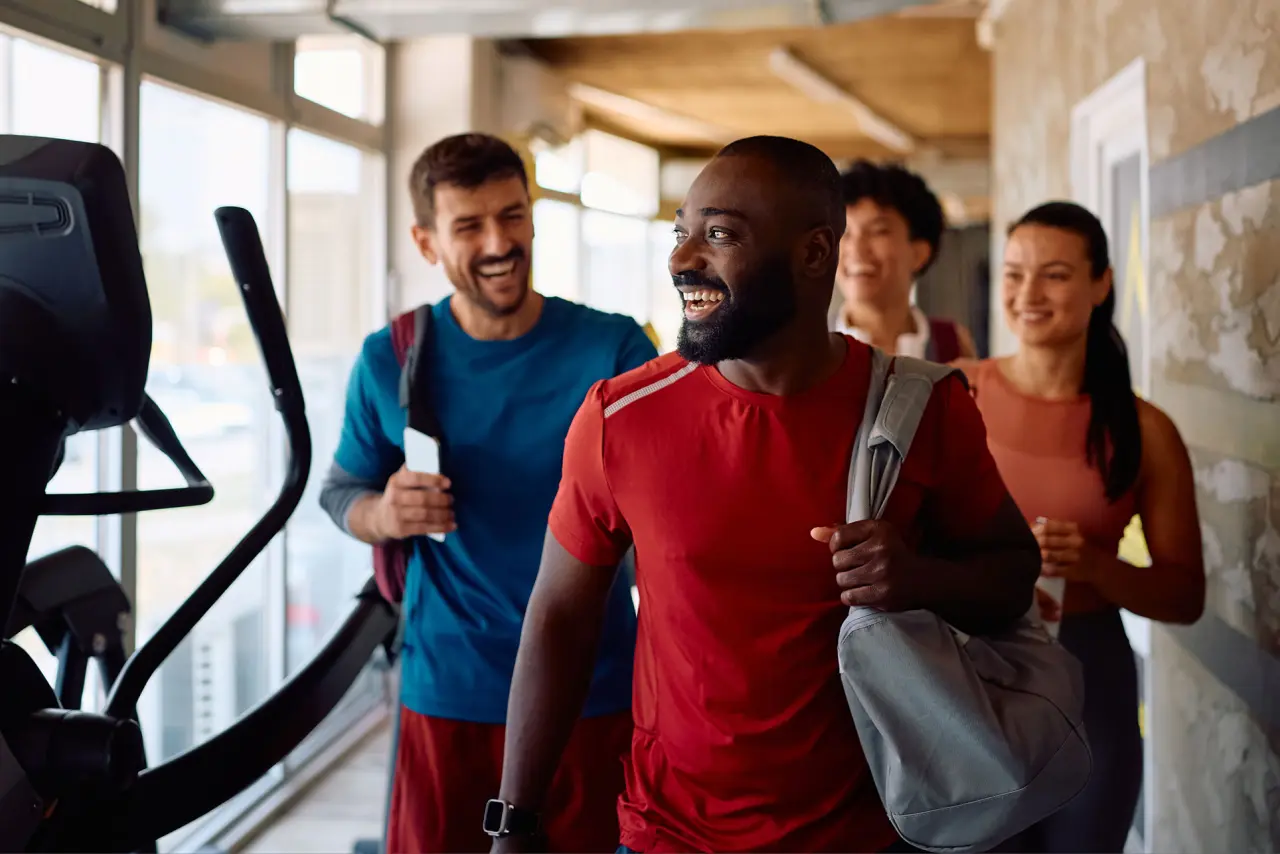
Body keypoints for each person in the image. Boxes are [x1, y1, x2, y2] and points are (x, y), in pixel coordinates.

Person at [488, 136, 1041, 854]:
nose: (684, 258)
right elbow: (559, 616)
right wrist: (515, 819)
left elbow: (1012, 578)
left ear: (814, 254)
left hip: (877, 833)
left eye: (719, 235)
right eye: (681, 232)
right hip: (670, 836)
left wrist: (919, 578)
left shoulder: (923, 409)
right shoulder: (621, 417)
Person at [319, 133, 657, 853]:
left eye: (512, 215)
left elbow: (673, 510)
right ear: (427, 241)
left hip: (591, 691)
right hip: (450, 690)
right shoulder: (393, 357)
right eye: (469, 225)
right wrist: (382, 512)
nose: (500, 242)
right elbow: (342, 489)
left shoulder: (615, 350)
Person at [954, 201, 1205, 853]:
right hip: (964, 669)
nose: (1028, 294)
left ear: (1102, 284)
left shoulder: (1145, 430)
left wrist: (1097, 566)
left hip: (1091, 674)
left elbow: (1184, 596)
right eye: (1014, 274)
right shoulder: (954, 395)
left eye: (1055, 275)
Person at [834, 160, 977, 361]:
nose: (856, 249)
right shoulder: (801, 346)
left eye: (878, 232)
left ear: (919, 253)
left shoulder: (952, 345)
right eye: (844, 232)